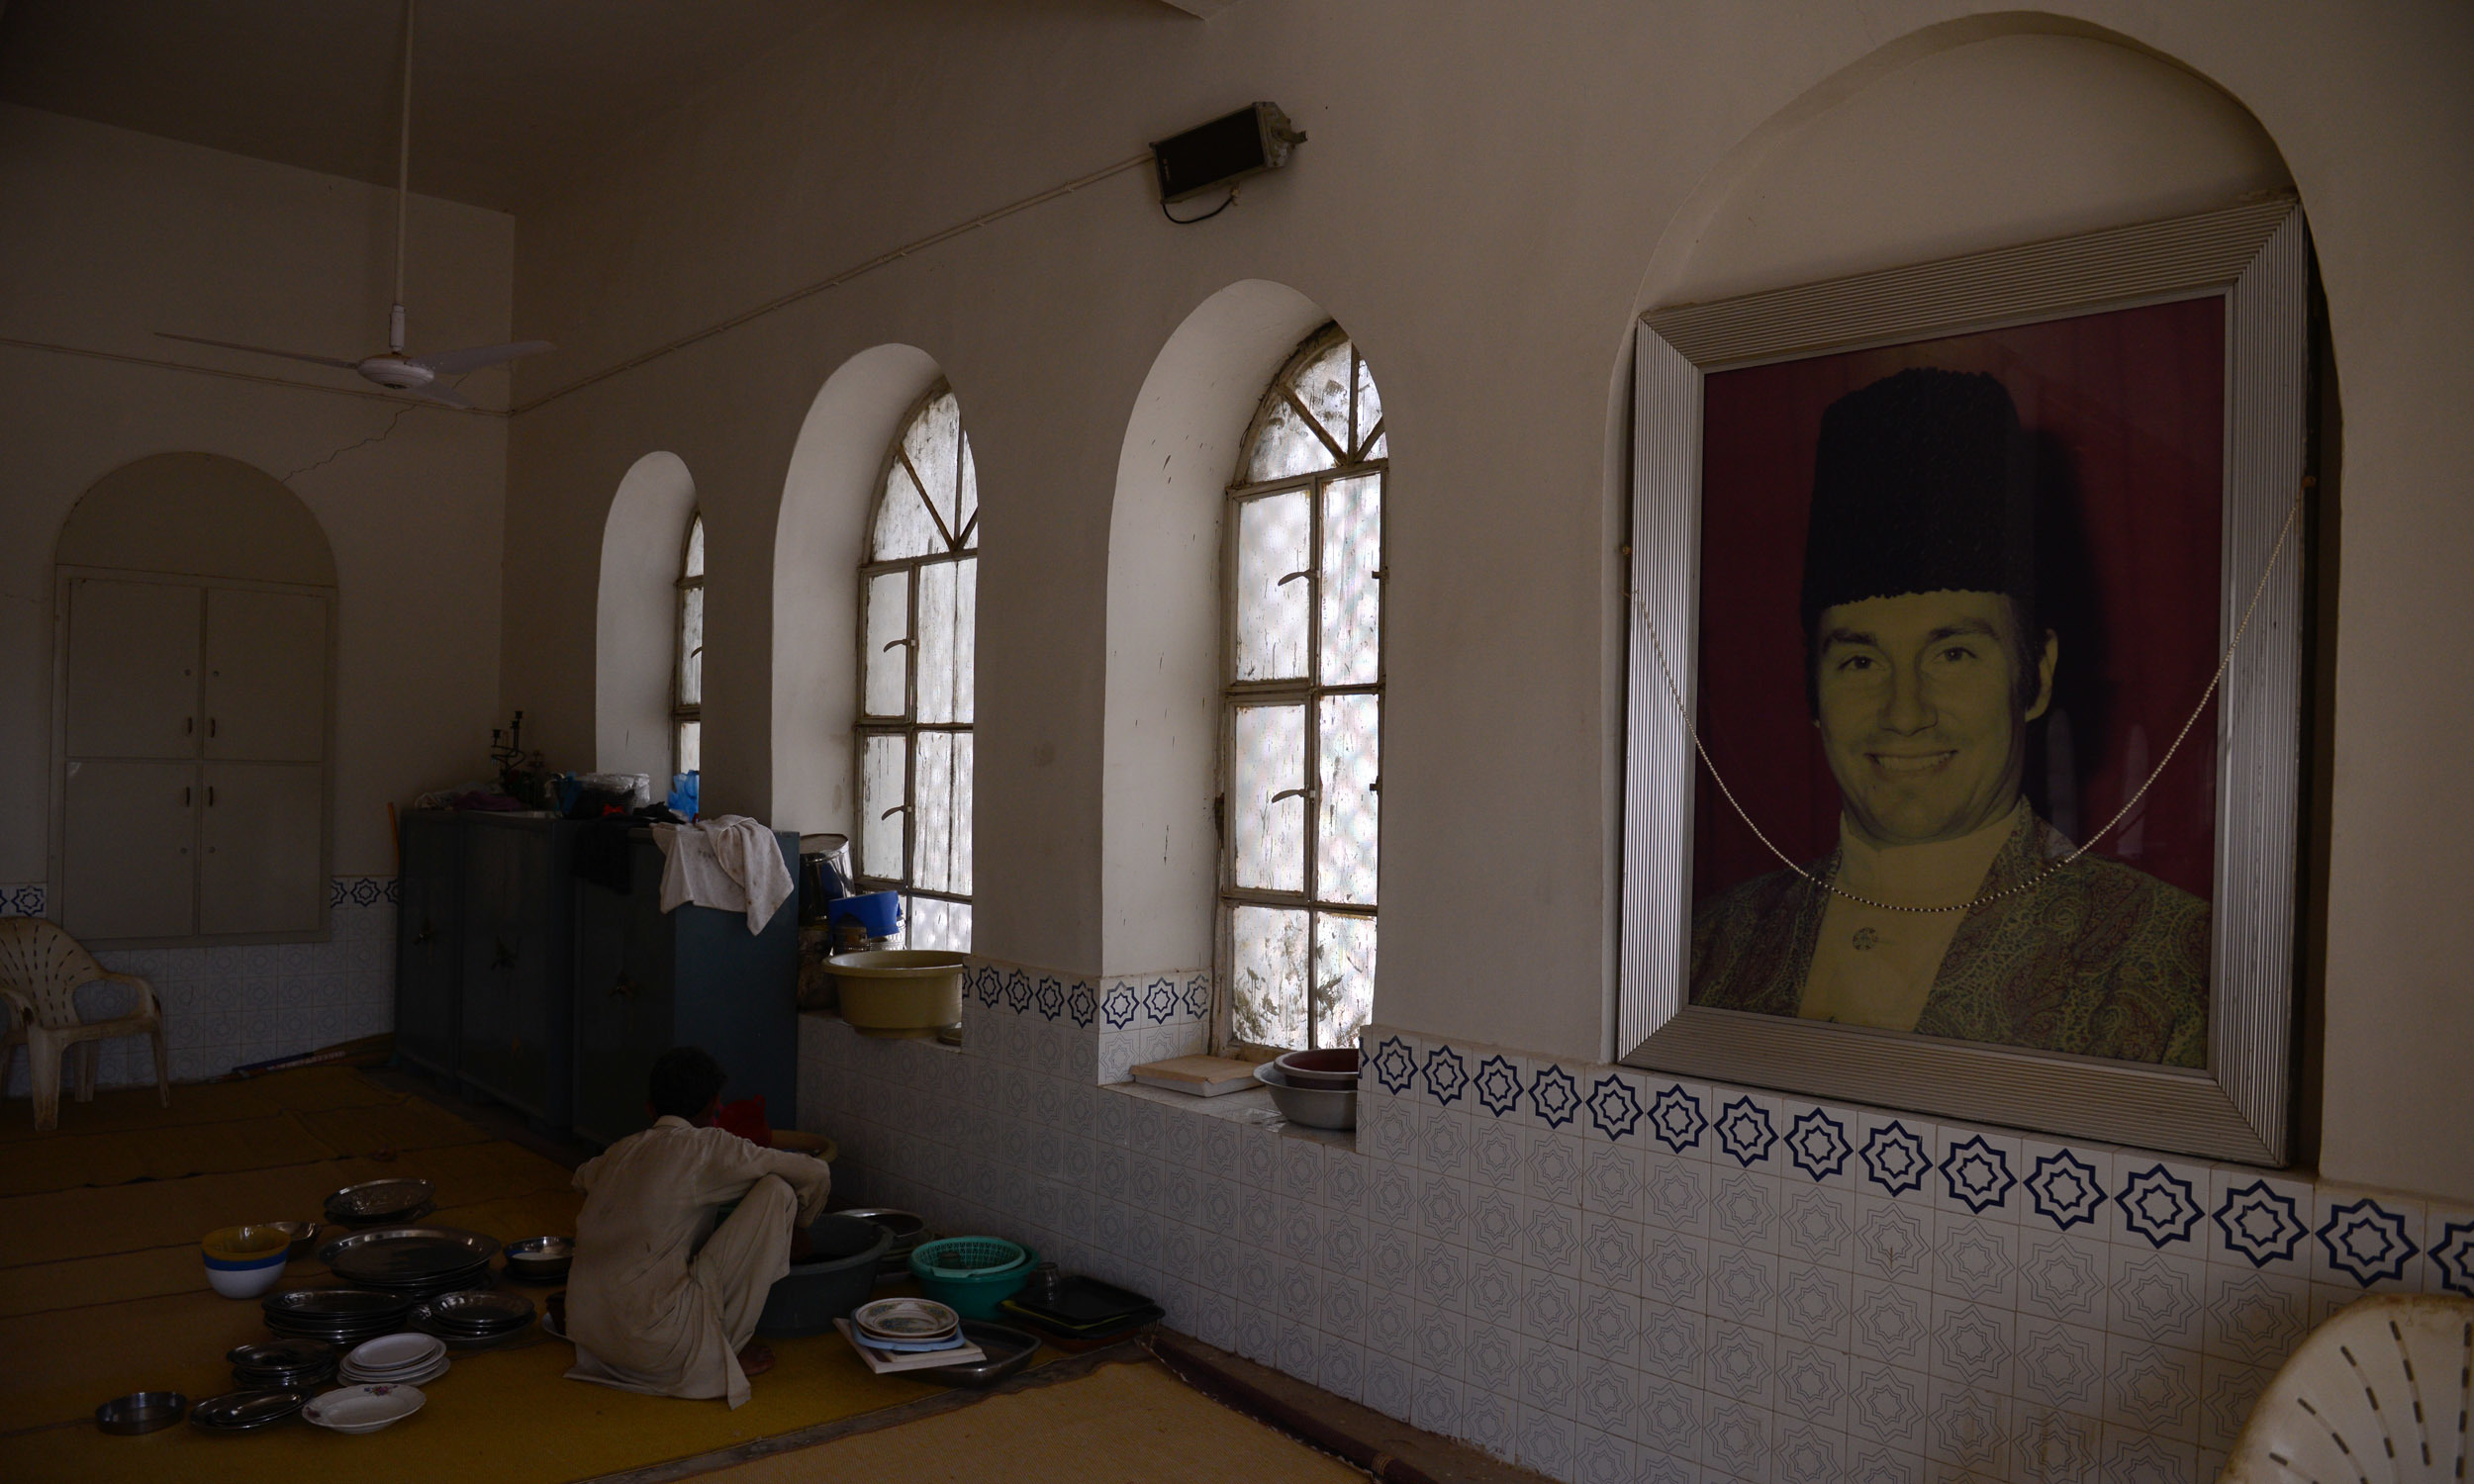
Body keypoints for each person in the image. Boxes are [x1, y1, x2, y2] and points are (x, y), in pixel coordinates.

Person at [1689, 368, 2209, 1067]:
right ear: (1813, 691)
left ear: (2037, 674)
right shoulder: (1710, 947)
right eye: (1861, 662)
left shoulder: (2176, 965)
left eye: (1954, 654)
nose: (1905, 714)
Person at [564, 1047, 830, 1407]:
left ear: (650, 1109)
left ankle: (702, 1342)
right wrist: (800, 1225)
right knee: (777, 1190)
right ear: (714, 1108)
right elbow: (815, 1171)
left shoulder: (619, 1151)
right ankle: (722, 1354)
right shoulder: (709, 1147)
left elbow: (582, 1178)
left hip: (594, 1342)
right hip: (659, 1349)